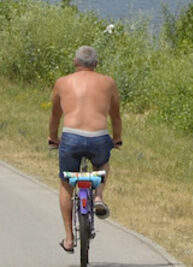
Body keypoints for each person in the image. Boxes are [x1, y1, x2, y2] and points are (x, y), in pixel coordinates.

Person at [48, 44, 123, 252]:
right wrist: (117, 138)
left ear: (75, 63)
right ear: (96, 64)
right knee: (103, 164)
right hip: (99, 138)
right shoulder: (108, 83)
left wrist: (53, 137)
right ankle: (98, 196)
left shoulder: (62, 83)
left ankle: (69, 238)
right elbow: (115, 116)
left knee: (66, 182)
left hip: (71, 138)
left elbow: (55, 116)